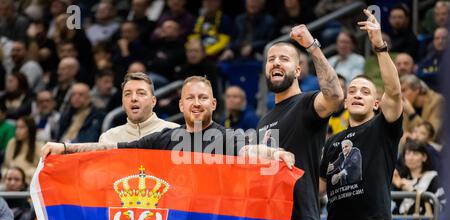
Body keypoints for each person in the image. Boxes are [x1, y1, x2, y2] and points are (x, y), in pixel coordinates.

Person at [42, 76, 295, 168]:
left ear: (214, 104)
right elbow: (111, 150)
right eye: (191, 98)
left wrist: (274, 153)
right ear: (181, 105)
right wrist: (65, 148)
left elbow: (250, 149)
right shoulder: (165, 137)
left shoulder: (227, 138)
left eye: (203, 98)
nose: (197, 103)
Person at [315, 9, 403, 220]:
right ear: (344, 100)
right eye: (352, 90)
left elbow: (395, 91)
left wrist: (379, 46)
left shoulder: (382, 127)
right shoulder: (333, 141)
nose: (356, 94)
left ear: (376, 103)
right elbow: (317, 189)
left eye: (365, 91)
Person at [257, 24, 344, 220]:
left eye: (283, 59)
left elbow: (336, 96)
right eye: (271, 59)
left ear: (297, 70)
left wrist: (312, 47)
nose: (275, 62)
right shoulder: (263, 119)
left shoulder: (307, 103)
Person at [99, 72, 179, 144]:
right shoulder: (108, 139)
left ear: (153, 101)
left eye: (141, 93)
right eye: (128, 94)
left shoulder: (175, 132)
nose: (133, 98)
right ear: (123, 104)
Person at [2, 116, 42, 184]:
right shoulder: (12, 143)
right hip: (10, 181)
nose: (17, 131)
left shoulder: (39, 146)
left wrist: (23, 175)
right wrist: (7, 174)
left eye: (21, 127)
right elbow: (5, 166)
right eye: (17, 127)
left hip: (29, 183)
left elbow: (41, 170)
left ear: (30, 129)